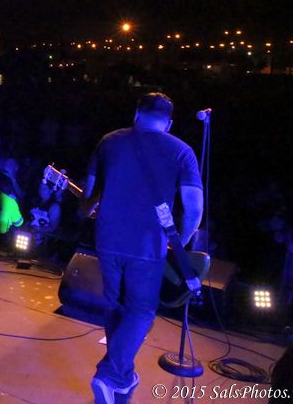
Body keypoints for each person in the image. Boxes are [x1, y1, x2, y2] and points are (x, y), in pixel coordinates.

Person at [83, 93, 203, 404]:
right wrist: (180, 241)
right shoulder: (182, 151)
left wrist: (90, 208)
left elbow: (88, 196)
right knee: (141, 311)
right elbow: (194, 208)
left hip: (108, 240)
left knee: (115, 308)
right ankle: (109, 375)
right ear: (169, 123)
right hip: (148, 246)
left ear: (136, 113)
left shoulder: (109, 141)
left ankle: (122, 379)